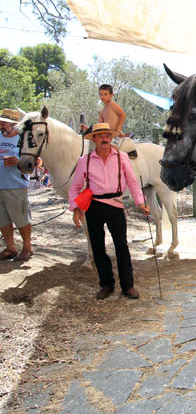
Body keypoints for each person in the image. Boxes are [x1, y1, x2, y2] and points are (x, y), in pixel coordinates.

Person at [68, 123, 149, 300]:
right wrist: (75, 208)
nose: (105, 138)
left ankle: (128, 285)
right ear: (94, 139)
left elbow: (133, 182)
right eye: (100, 136)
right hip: (93, 206)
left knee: (121, 245)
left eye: (107, 135)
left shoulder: (121, 157)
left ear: (111, 138)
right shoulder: (85, 160)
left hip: (115, 205)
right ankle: (107, 284)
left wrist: (140, 202)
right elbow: (75, 188)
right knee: (97, 247)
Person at [0, 109, 33, 261]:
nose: (1, 125)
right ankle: (10, 247)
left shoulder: (23, 140)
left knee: (21, 217)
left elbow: (34, 164)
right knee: (2, 219)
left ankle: (27, 247)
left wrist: (18, 161)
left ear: (14, 125)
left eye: (4, 122)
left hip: (16, 185)